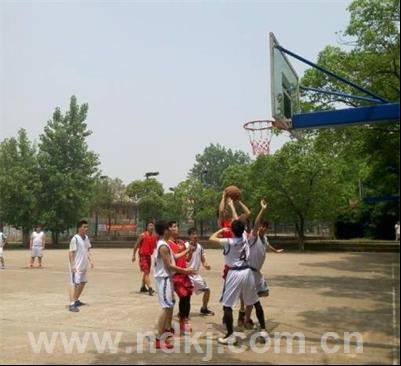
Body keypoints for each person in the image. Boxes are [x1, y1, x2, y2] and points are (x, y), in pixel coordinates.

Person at [209, 220, 268, 345]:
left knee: (227, 305)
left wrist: (221, 230)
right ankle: (263, 330)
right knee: (255, 301)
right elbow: (251, 224)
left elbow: (211, 238)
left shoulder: (229, 242)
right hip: (247, 272)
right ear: (243, 230)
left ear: (231, 230)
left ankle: (230, 335)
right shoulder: (245, 237)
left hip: (234, 273)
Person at [153, 220, 195, 350]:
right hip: (164, 279)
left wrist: (187, 250)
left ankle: (165, 330)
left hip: (166, 279)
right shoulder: (164, 246)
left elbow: (175, 256)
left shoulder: (164, 244)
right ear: (166, 230)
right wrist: (185, 271)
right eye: (170, 228)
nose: (173, 229)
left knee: (169, 304)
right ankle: (158, 338)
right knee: (165, 307)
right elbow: (169, 265)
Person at [244, 199, 284, 329]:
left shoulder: (265, 238)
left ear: (266, 229)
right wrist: (263, 209)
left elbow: (268, 245)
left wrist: (276, 250)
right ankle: (249, 320)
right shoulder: (253, 236)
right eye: (261, 226)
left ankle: (246, 318)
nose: (262, 227)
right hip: (250, 272)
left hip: (257, 273)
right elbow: (255, 223)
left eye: (264, 226)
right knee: (254, 298)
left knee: (261, 294)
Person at [167, 221, 193, 335]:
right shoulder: (167, 244)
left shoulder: (182, 242)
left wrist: (190, 252)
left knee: (187, 297)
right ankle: (182, 320)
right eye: (174, 226)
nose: (177, 228)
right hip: (176, 274)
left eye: (177, 225)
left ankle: (184, 318)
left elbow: (186, 258)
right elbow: (174, 258)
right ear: (169, 230)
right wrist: (187, 250)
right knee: (183, 296)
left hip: (184, 273)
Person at [185, 228, 214, 316]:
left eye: (196, 234)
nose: (195, 236)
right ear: (189, 236)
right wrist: (189, 252)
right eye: (193, 234)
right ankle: (183, 312)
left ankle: (204, 308)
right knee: (186, 295)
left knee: (207, 290)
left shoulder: (200, 247)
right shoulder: (185, 246)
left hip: (195, 275)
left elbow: (203, 260)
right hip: (186, 274)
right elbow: (185, 259)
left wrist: (206, 265)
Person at [68, 220, 94, 313]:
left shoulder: (86, 238)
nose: (86, 229)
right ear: (79, 228)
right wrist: (72, 265)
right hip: (76, 266)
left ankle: (76, 300)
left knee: (83, 282)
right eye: (84, 227)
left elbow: (88, 249)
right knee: (74, 284)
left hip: (83, 265)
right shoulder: (75, 238)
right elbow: (71, 252)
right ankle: (71, 304)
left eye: (87, 227)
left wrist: (90, 261)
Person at [132, 221, 157, 296]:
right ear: (147, 227)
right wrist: (133, 255)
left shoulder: (154, 236)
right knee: (146, 271)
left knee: (147, 272)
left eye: (152, 226)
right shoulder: (143, 235)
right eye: (150, 225)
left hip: (149, 256)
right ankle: (150, 288)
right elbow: (136, 245)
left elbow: (156, 247)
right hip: (143, 255)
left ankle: (143, 287)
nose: (151, 227)